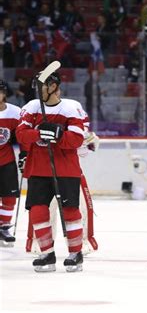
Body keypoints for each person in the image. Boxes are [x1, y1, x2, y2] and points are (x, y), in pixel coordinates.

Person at [16, 71, 86, 273]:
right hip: (38, 167)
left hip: (65, 168)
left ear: (53, 86)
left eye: (42, 86)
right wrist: (41, 133)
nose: (38, 90)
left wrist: (58, 135)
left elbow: (76, 139)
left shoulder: (71, 107)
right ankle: (47, 253)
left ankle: (75, 253)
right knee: (37, 210)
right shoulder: (31, 107)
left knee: (70, 210)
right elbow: (21, 135)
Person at [25, 111, 100, 255]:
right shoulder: (42, 120)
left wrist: (87, 142)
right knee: (41, 209)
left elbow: (82, 152)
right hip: (45, 172)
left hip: (69, 173)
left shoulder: (75, 125)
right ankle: (40, 241)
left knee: (79, 208)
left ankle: (82, 241)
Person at [0, 80, 22, 247]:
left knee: (9, 197)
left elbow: (23, 136)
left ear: (4, 93)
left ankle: (3, 227)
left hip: (6, 161)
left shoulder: (15, 112)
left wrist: (25, 154)